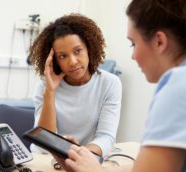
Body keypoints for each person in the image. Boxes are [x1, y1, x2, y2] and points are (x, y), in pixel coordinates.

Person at [56, 0, 186, 172]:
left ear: (159, 42)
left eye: (133, 43)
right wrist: (96, 169)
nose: (133, 55)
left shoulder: (181, 87)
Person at [28, 14, 122, 158]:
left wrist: (77, 155)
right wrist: (50, 91)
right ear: (54, 60)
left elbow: (106, 138)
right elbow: (43, 145)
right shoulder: (45, 87)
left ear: (89, 48)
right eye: (63, 56)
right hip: (46, 161)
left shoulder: (109, 83)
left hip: (84, 159)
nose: (73, 61)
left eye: (78, 51)